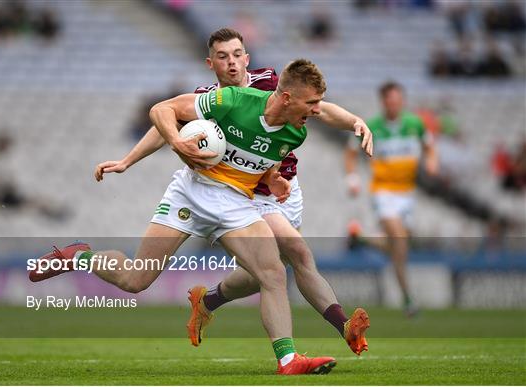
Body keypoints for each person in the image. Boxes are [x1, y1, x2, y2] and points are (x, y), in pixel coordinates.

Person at [29, 58, 373, 375]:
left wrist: (272, 178)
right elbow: (162, 110)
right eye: (311, 103)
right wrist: (177, 143)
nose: (316, 111)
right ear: (285, 97)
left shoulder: (294, 131)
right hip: (191, 196)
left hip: (235, 203)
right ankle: (80, 256)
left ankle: (288, 359)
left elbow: (253, 159)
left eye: (318, 104)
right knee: (135, 280)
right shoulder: (232, 101)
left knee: (272, 273)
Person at [345, 81, 438, 317]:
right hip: (383, 191)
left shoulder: (414, 123)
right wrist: (353, 178)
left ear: (402, 101)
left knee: (398, 246)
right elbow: (351, 153)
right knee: (399, 240)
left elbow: (429, 147)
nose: (394, 105)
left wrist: (431, 163)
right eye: (389, 101)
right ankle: (408, 299)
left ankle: (362, 238)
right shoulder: (372, 126)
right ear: (383, 102)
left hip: (407, 193)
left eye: (397, 100)